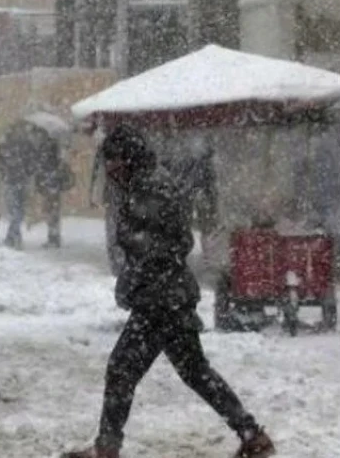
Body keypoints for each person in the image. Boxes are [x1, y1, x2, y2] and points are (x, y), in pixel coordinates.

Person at [63, 124, 274, 458]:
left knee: (122, 369)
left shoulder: (150, 186)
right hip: (166, 296)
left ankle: (107, 448)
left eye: (114, 160)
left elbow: (168, 241)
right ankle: (251, 435)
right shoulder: (143, 182)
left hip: (159, 300)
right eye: (108, 161)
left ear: (129, 157)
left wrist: (135, 255)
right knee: (195, 372)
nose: (110, 168)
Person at [0, 122, 37, 249]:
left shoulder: (26, 145)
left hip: (21, 181)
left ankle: (11, 237)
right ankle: (14, 237)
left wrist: (27, 171)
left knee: (20, 212)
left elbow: (33, 161)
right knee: (15, 212)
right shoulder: (5, 145)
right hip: (10, 181)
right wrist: (4, 169)